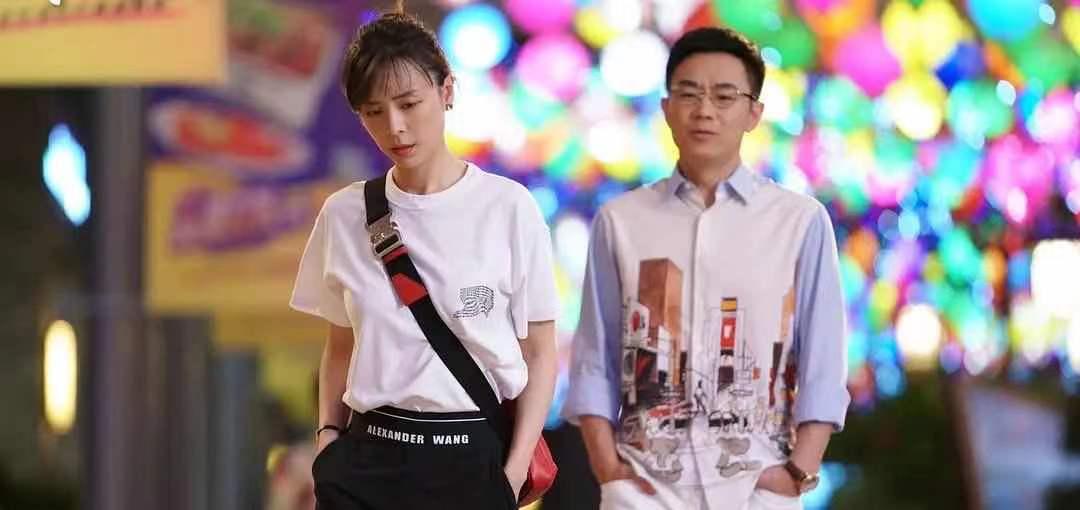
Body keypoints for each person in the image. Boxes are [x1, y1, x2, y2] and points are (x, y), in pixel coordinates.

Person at [562, 27, 850, 510]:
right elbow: (595, 356)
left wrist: (798, 471)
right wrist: (607, 467)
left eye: (724, 96)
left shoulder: (798, 221)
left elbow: (824, 359)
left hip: (757, 489)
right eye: (689, 94)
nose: (705, 110)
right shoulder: (621, 221)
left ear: (754, 113)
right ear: (666, 107)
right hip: (644, 489)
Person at [289, 3, 559, 509]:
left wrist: (512, 471)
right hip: (367, 458)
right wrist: (327, 438)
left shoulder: (508, 208)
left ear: (447, 90)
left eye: (409, 103)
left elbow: (541, 354)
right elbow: (340, 347)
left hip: (469, 457)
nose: (395, 127)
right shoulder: (345, 213)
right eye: (374, 112)